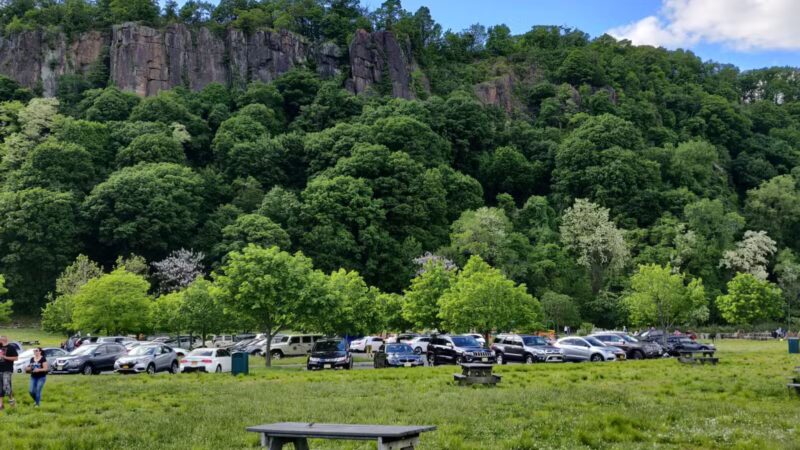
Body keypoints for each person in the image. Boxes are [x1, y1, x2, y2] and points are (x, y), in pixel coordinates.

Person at [0, 336, 19, 410]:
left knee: (6, 386)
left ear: (3, 340)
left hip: (7, 370)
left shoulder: (11, 347)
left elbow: (16, 358)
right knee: (0, 387)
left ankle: (12, 402)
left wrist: (4, 357)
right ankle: (1, 405)